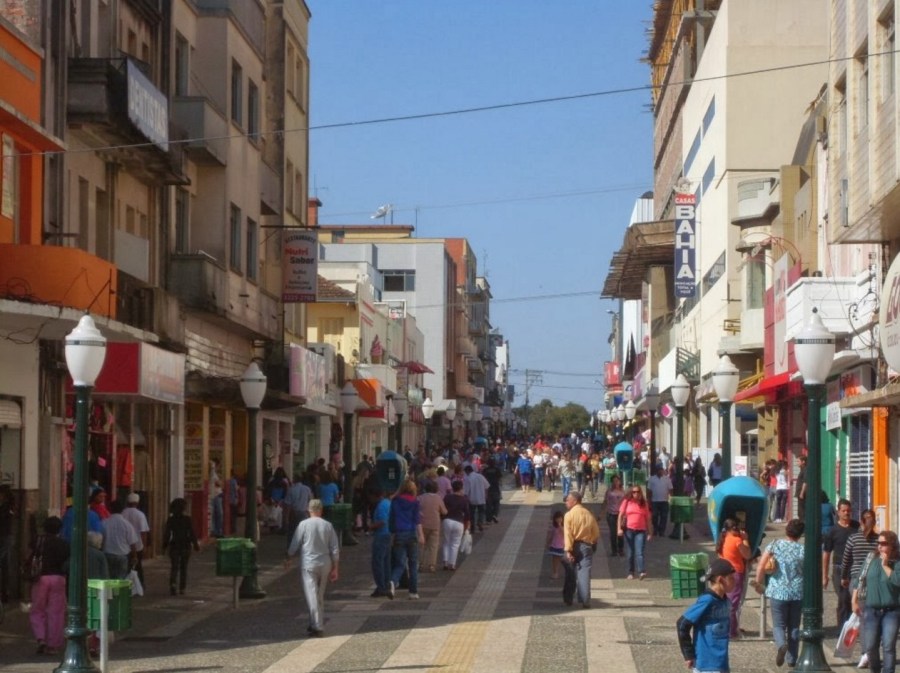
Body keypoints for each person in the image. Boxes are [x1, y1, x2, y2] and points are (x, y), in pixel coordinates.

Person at [753, 518, 805, 668]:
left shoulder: (775, 545)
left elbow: (761, 566)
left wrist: (758, 583)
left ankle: (782, 644)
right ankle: (792, 659)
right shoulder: (803, 550)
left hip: (777, 591)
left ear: (787, 530)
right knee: (794, 626)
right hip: (797, 592)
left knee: (778, 625)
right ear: (800, 534)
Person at [286, 499, 339, 637]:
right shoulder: (328, 525)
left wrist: (289, 557)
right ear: (321, 510)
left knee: (311, 594)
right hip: (325, 563)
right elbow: (334, 547)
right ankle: (314, 622)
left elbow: (295, 543)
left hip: (309, 563)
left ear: (308, 510)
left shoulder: (303, 524)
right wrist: (335, 567)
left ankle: (317, 625)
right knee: (319, 594)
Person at [677, 558, 736, 673]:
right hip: (707, 664)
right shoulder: (707, 600)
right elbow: (682, 624)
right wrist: (688, 654)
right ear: (720, 580)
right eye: (731, 578)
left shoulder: (725, 600)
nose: (735, 581)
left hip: (721, 663)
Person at [853, 529, 900, 673]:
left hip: (891, 611)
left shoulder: (897, 562)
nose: (880, 546)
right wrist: (854, 600)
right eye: (878, 543)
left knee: (888, 646)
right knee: (870, 646)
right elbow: (859, 579)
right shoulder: (871, 558)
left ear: (892, 545)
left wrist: (885, 565)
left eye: (884, 543)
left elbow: (897, 581)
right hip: (871, 609)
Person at [28, 516, 68, 656]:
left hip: (40, 578)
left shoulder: (38, 541)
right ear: (59, 529)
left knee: (37, 609)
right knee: (56, 612)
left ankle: (41, 638)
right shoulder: (64, 544)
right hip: (58, 578)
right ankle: (53, 645)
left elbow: (28, 556)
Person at [823, 498, 859, 629]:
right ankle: (842, 628)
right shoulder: (833, 531)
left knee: (854, 597)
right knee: (843, 599)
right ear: (838, 512)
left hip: (855, 568)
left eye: (848, 510)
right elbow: (826, 553)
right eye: (843, 511)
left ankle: (853, 626)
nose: (846, 513)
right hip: (839, 568)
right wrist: (825, 575)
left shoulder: (857, 527)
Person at [562, 491, 600, 608]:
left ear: (575, 501)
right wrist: (591, 541)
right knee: (585, 573)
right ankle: (585, 600)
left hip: (573, 545)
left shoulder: (569, 515)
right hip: (586, 545)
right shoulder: (589, 514)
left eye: (567, 500)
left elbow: (568, 534)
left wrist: (568, 550)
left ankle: (568, 598)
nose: (566, 502)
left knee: (570, 573)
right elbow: (596, 532)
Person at [389, 479, 424, 599]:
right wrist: (421, 535)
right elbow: (417, 520)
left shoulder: (395, 501)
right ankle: (413, 592)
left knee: (400, 563)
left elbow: (391, 519)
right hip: (411, 533)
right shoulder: (415, 502)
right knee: (413, 564)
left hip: (399, 534)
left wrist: (392, 533)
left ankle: (393, 581)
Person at [716, 518, 752, 638]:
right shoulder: (737, 540)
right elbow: (747, 554)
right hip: (735, 573)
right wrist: (745, 539)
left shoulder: (723, 538)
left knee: (726, 600)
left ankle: (731, 627)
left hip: (724, 571)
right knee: (733, 603)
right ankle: (731, 631)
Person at [162, 497, 200, 596]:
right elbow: (192, 533)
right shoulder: (187, 519)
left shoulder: (171, 520)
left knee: (174, 566)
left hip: (174, 544)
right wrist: (195, 544)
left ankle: (173, 584)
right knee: (184, 567)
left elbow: (167, 534)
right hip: (185, 545)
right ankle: (182, 588)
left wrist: (164, 546)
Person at [618, 484, 652, 580]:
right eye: (634, 492)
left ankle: (641, 571)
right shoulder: (627, 501)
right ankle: (631, 572)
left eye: (637, 492)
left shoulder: (644, 503)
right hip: (629, 530)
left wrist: (650, 532)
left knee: (639, 551)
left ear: (640, 493)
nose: (636, 494)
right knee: (630, 552)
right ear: (631, 493)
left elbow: (648, 519)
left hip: (641, 531)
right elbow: (620, 515)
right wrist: (619, 529)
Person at [102, 499, 140, 579]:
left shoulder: (104, 523)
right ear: (122, 510)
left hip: (107, 555)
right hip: (122, 555)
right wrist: (134, 556)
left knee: (108, 578)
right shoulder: (127, 524)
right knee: (121, 579)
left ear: (110, 509)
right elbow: (132, 543)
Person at [418, 481, 447, 573]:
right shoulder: (438, 498)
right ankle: (432, 565)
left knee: (421, 545)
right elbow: (444, 511)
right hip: (435, 524)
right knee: (433, 546)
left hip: (422, 524)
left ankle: (420, 564)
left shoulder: (420, 498)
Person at [121, 492, 150, 585]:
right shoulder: (140, 514)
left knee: (126, 568)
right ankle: (139, 585)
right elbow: (143, 532)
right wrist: (144, 546)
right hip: (137, 546)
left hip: (124, 545)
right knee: (138, 566)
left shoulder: (122, 513)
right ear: (137, 502)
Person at [369, 487, 392, 598]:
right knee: (386, 562)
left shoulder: (381, 506)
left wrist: (371, 526)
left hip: (381, 535)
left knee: (378, 562)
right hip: (388, 534)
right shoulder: (388, 503)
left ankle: (381, 586)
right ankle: (386, 584)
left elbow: (382, 521)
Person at [442, 479, 470, 571]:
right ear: (461, 488)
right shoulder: (464, 499)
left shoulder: (447, 497)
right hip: (459, 522)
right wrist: (467, 525)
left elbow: (443, 509)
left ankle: (445, 562)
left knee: (446, 542)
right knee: (455, 544)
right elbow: (467, 514)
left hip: (447, 520)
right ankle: (452, 564)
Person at [283, 473, 313, 544]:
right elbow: (310, 500)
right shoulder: (307, 489)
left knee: (292, 530)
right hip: (304, 512)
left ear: (294, 480)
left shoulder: (291, 489)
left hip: (294, 512)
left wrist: (286, 517)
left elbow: (288, 505)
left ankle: (291, 546)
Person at [647, 465, 673, 537]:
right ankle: (655, 529)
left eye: (661, 470)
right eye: (659, 470)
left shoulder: (667, 479)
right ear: (656, 471)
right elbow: (649, 490)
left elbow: (671, 489)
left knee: (664, 517)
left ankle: (661, 531)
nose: (660, 471)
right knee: (654, 516)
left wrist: (671, 498)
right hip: (654, 501)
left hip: (664, 501)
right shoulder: (652, 479)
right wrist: (648, 500)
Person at [603, 473, 626, 557]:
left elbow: (626, 503)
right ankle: (614, 550)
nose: (616, 483)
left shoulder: (623, 492)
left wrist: (625, 515)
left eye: (617, 481)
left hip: (621, 515)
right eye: (614, 481)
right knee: (613, 533)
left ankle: (621, 549)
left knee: (620, 532)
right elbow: (605, 502)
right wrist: (601, 514)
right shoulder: (609, 492)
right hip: (611, 515)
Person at [463, 465, 489, 532]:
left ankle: (472, 527)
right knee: (481, 512)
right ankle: (480, 522)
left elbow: (466, 491)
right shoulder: (480, 476)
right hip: (481, 497)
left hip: (472, 498)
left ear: (467, 471)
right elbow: (487, 486)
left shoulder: (468, 478)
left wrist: (465, 498)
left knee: (472, 513)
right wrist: (486, 495)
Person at [0, 486, 14, 602]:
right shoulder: (9, 507)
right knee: (6, 565)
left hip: (4, 537)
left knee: (5, 564)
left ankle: (5, 592)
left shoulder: (6, 507)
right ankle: (5, 592)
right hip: (6, 537)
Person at [481, 458, 503, 523]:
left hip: (487, 489)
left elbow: (483, 479)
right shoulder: (497, 469)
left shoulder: (485, 470)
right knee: (496, 503)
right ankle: (495, 515)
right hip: (496, 488)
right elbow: (500, 479)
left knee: (488, 505)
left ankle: (488, 519)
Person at [546, 510, 565, 580]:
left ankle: (566, 572)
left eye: (560, 518)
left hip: (561, 546)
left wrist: (560, 526)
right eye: (557, 518)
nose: (558, 520)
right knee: (554, 560)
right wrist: (548, 542)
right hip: (554, 545)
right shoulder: (554, 527)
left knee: (562, 559)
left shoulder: (564, 526)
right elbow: (551, 535)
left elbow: (565, 533)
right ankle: (555, 572)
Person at [209, 459, 224, 537]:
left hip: (215, 495)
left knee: (215, 514)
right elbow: (219, 483)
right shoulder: (213, 474)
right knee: (218, 514)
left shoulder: (214, 474)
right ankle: (216, 531)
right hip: (215, 496)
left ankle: (216, 531)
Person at [794, 455, 807, 519]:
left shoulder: (805, 470)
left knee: (802, 510)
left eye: (798, 461)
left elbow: (805, 481)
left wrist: (802, 492)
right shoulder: (801, 470)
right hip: (799, 493)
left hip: (803, 493)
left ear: (803, 462)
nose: (797, 463)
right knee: (800, 511)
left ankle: (803, 522)